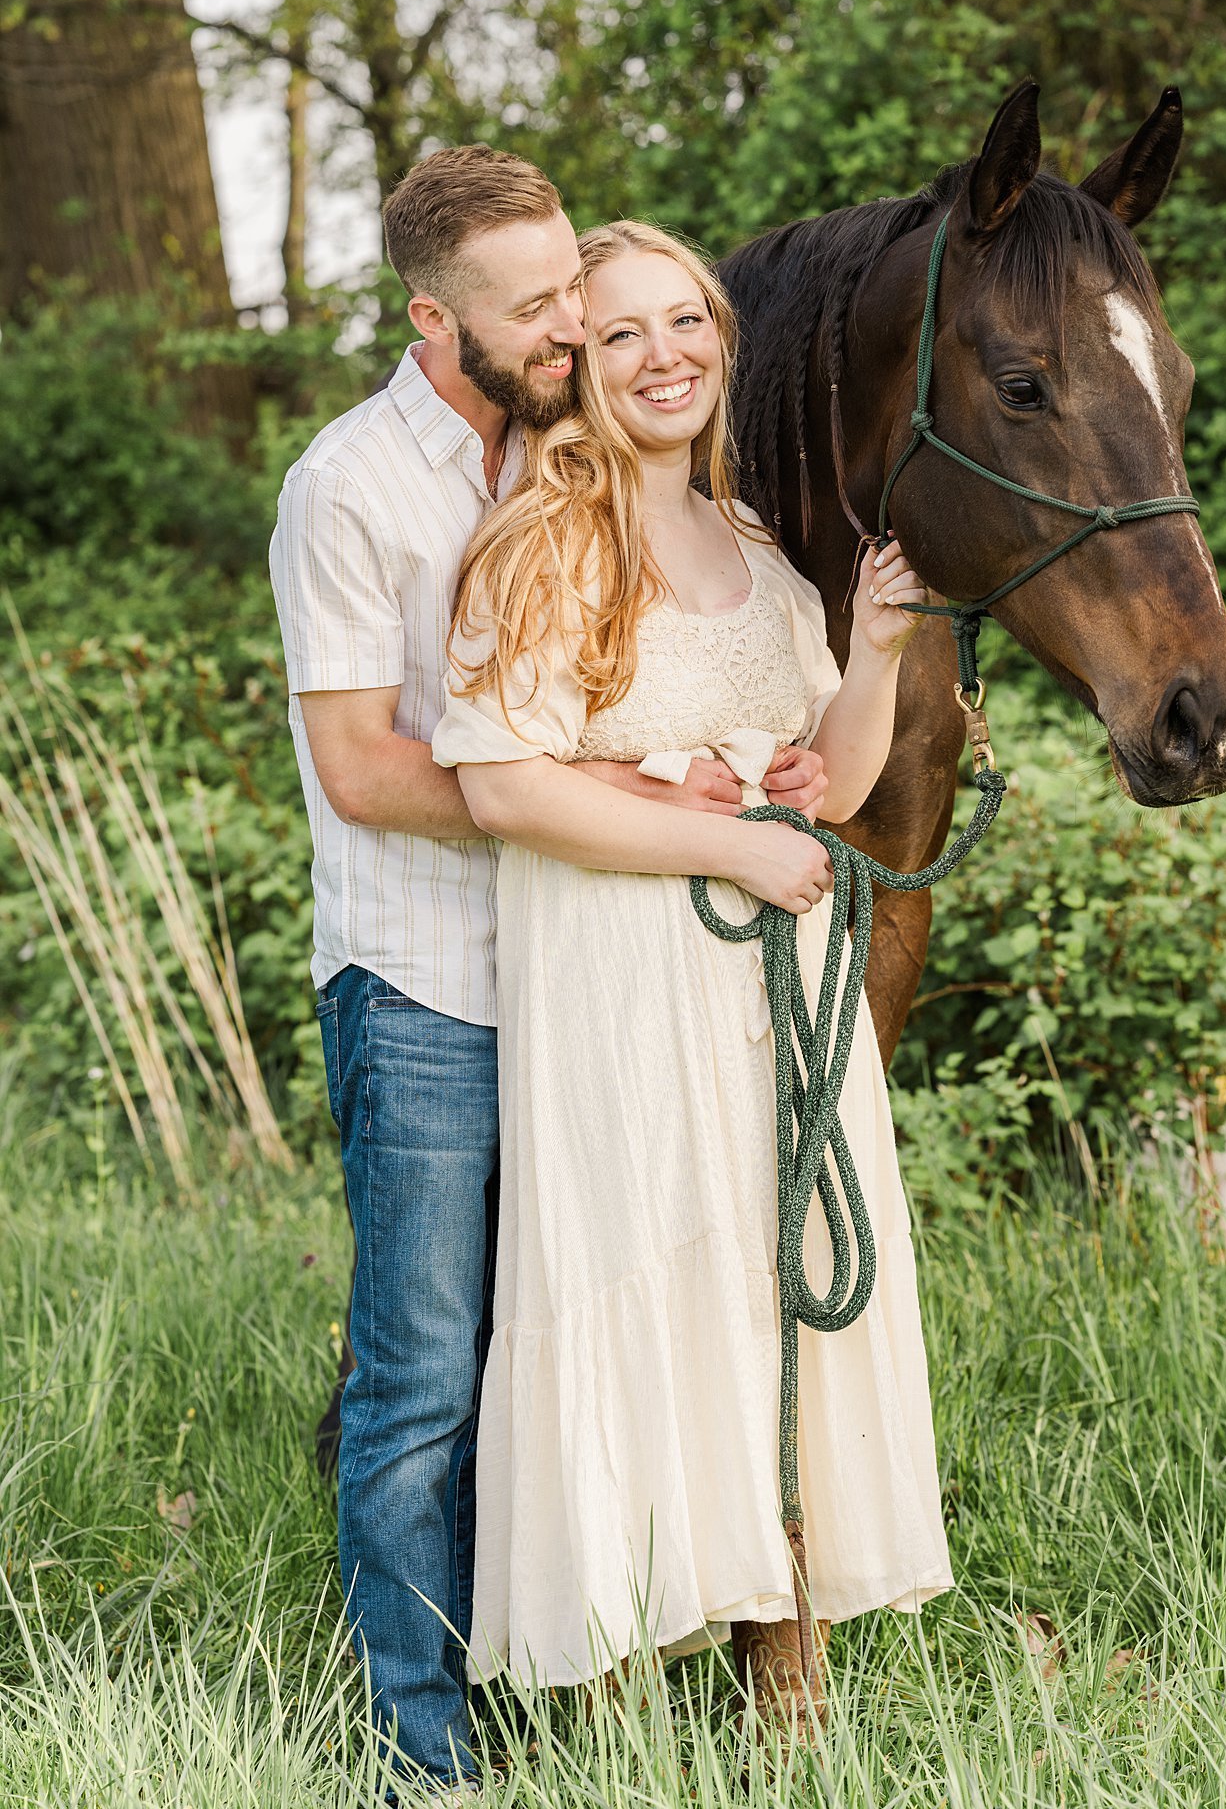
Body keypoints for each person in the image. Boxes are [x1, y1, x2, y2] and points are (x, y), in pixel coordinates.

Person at [268, 149, 825, 1797]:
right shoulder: (351, 488)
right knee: (431, 1373)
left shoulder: (584, 452)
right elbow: (366, 771)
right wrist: (613, 801)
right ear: (435, 316)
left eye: (575, 289)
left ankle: (572, 1672)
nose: (575, 326)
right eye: (537, 309)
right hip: (432, 983)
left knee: (584, 1339)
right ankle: (422, 1746)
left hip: (610, 985)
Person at [434, 220, 954, 1725]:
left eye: (686, 323)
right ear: (577, 368)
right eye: (621, 334)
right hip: (620, 991)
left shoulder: (762, 559)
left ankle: (784, 1677)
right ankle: (611, 1678)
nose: (663, 356)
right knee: (630, 1283)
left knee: (775, 1296)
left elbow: (833, 783)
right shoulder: (544, 546)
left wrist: (869, 648)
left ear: (722, 341)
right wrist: (726, 853)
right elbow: (504, 789)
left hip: (770, 1005)